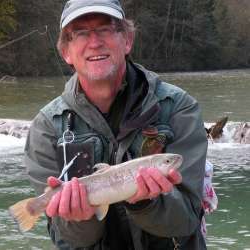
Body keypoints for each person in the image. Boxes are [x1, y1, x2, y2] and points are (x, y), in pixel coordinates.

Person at [24, 0, 208, 249]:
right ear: (66, 52)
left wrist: (146, 203)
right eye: (80, 33)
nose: (95, 42)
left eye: (105, 29)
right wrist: (80, 219)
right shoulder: (47, 127)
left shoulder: (178, 108)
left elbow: (186, 221)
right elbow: (68, 240)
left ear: (127, 41)